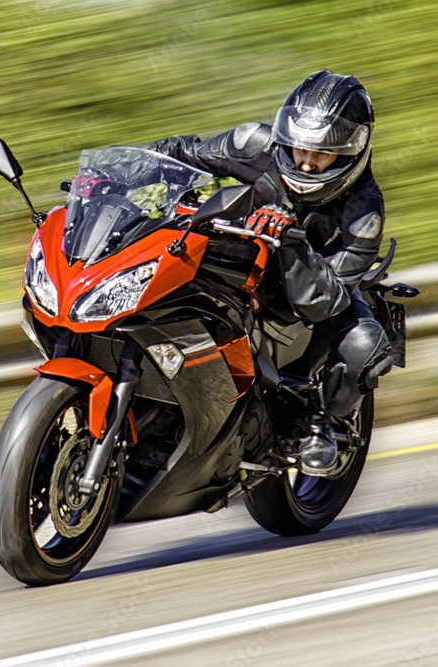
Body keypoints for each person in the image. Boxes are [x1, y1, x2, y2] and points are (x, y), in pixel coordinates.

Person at [148, 70, 393, 476]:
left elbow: (326, 300)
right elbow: (185, 153)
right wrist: (123, 173)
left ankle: (320, 424)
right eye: (298, 149)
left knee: (362, 341)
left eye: (321, 155)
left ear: (351, 153)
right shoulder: (254, 145)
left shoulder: (363, 211)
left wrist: (293, 239)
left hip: (310, 292)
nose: (306, 163)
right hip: (237, 262)